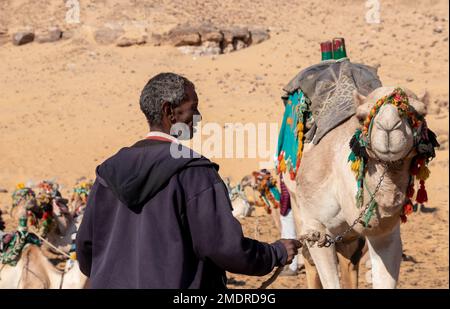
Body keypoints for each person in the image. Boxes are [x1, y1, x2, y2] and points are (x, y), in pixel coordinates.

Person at [76, 72, 301, 288]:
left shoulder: (108, 172)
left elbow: (87, 252)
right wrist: (276, 252)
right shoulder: (194, 172)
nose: (199, 116)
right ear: (170, 112)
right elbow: (224, 247)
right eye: (192, 108)